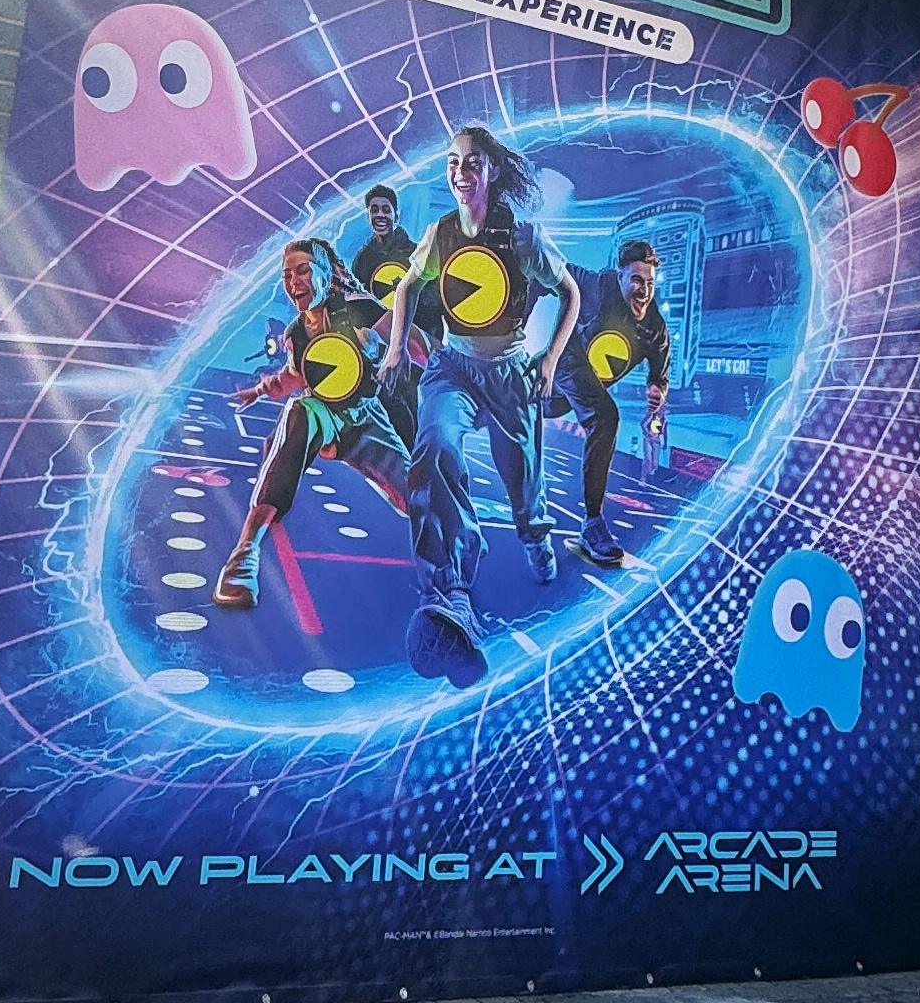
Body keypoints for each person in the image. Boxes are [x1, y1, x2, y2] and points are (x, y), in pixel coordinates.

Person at [383, 123, 578, 685]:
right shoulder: (441, 234)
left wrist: (549, 360)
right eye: (452, 163)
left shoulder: (522, 237)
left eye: (471, 163)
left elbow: (569, 293)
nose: (460, 173)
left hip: (511, 371)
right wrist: (396, 347)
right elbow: (407, 285)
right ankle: (450, 593)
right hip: (453, 367)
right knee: (436, 448)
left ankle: (534, 534)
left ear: (491, 171)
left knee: (523, 480)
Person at [212, 239, 414, 610]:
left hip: (366, 416)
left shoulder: (357, 307)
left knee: (419, 499)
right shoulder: (296, 334)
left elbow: (409, 340)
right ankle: (244, 555)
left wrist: (388, 350)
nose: (294, 282)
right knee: (299, 411)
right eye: (287, 275)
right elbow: (295, 375)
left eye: (303, 270)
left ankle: (457, 542)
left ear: (325, 273)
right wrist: (262, 389)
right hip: (323, 412)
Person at [550, 237, 673, 567]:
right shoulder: (597, 286)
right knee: (505, 404)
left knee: (603, 417)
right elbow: (550, 269)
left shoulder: (655, 329)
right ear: (620, 277)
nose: (644, 291)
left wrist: (656, 397)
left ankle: (592, 526)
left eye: (650, 283)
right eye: (636, 281)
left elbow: (659, 374)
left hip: (579, 392)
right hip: (561, 369)